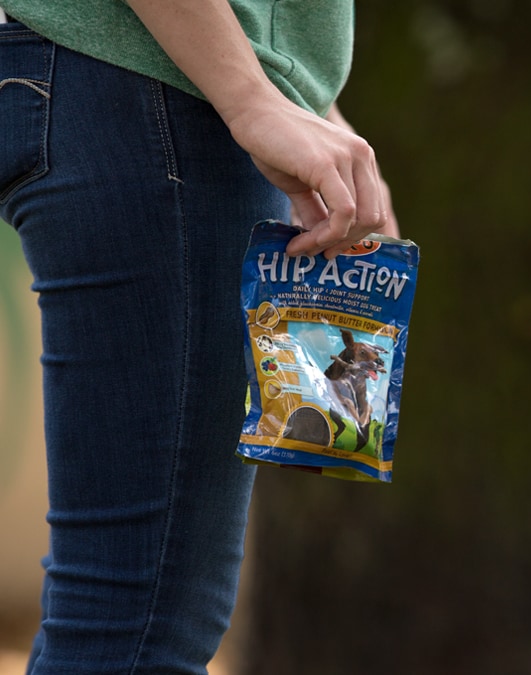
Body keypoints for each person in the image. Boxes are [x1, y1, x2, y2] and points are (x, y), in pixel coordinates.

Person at [0, 1, 396, 672]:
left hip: (123, 79)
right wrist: (249, 96)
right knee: (140, 624)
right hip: (158, 92)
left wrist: (301, 94)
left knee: (129, 609)